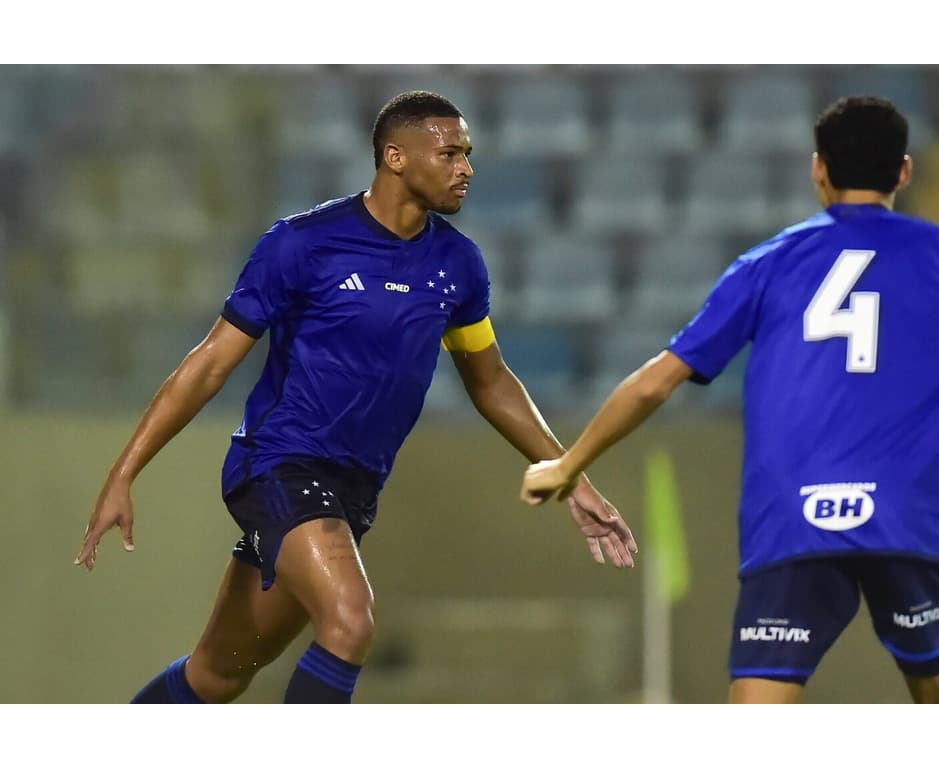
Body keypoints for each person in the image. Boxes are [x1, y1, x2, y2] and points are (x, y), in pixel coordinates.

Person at [74, 90, 637, 704]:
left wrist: (571, 472)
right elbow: (209, 363)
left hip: (354, 490)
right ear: (395, 157)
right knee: (350, 622)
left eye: (468, 155)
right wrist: (124, 471)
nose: (466, 169)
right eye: (449, 153)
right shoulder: (301, 244)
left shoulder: (459, 264)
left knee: (218, 673)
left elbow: (491, 381)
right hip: (278, 465)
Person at [520, 96, 939, 704]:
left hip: (794, 519)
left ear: (819, 169)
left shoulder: (767, 264)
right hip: (909, 517)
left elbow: (656, 380)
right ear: (905, 172)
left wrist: (567, 465)